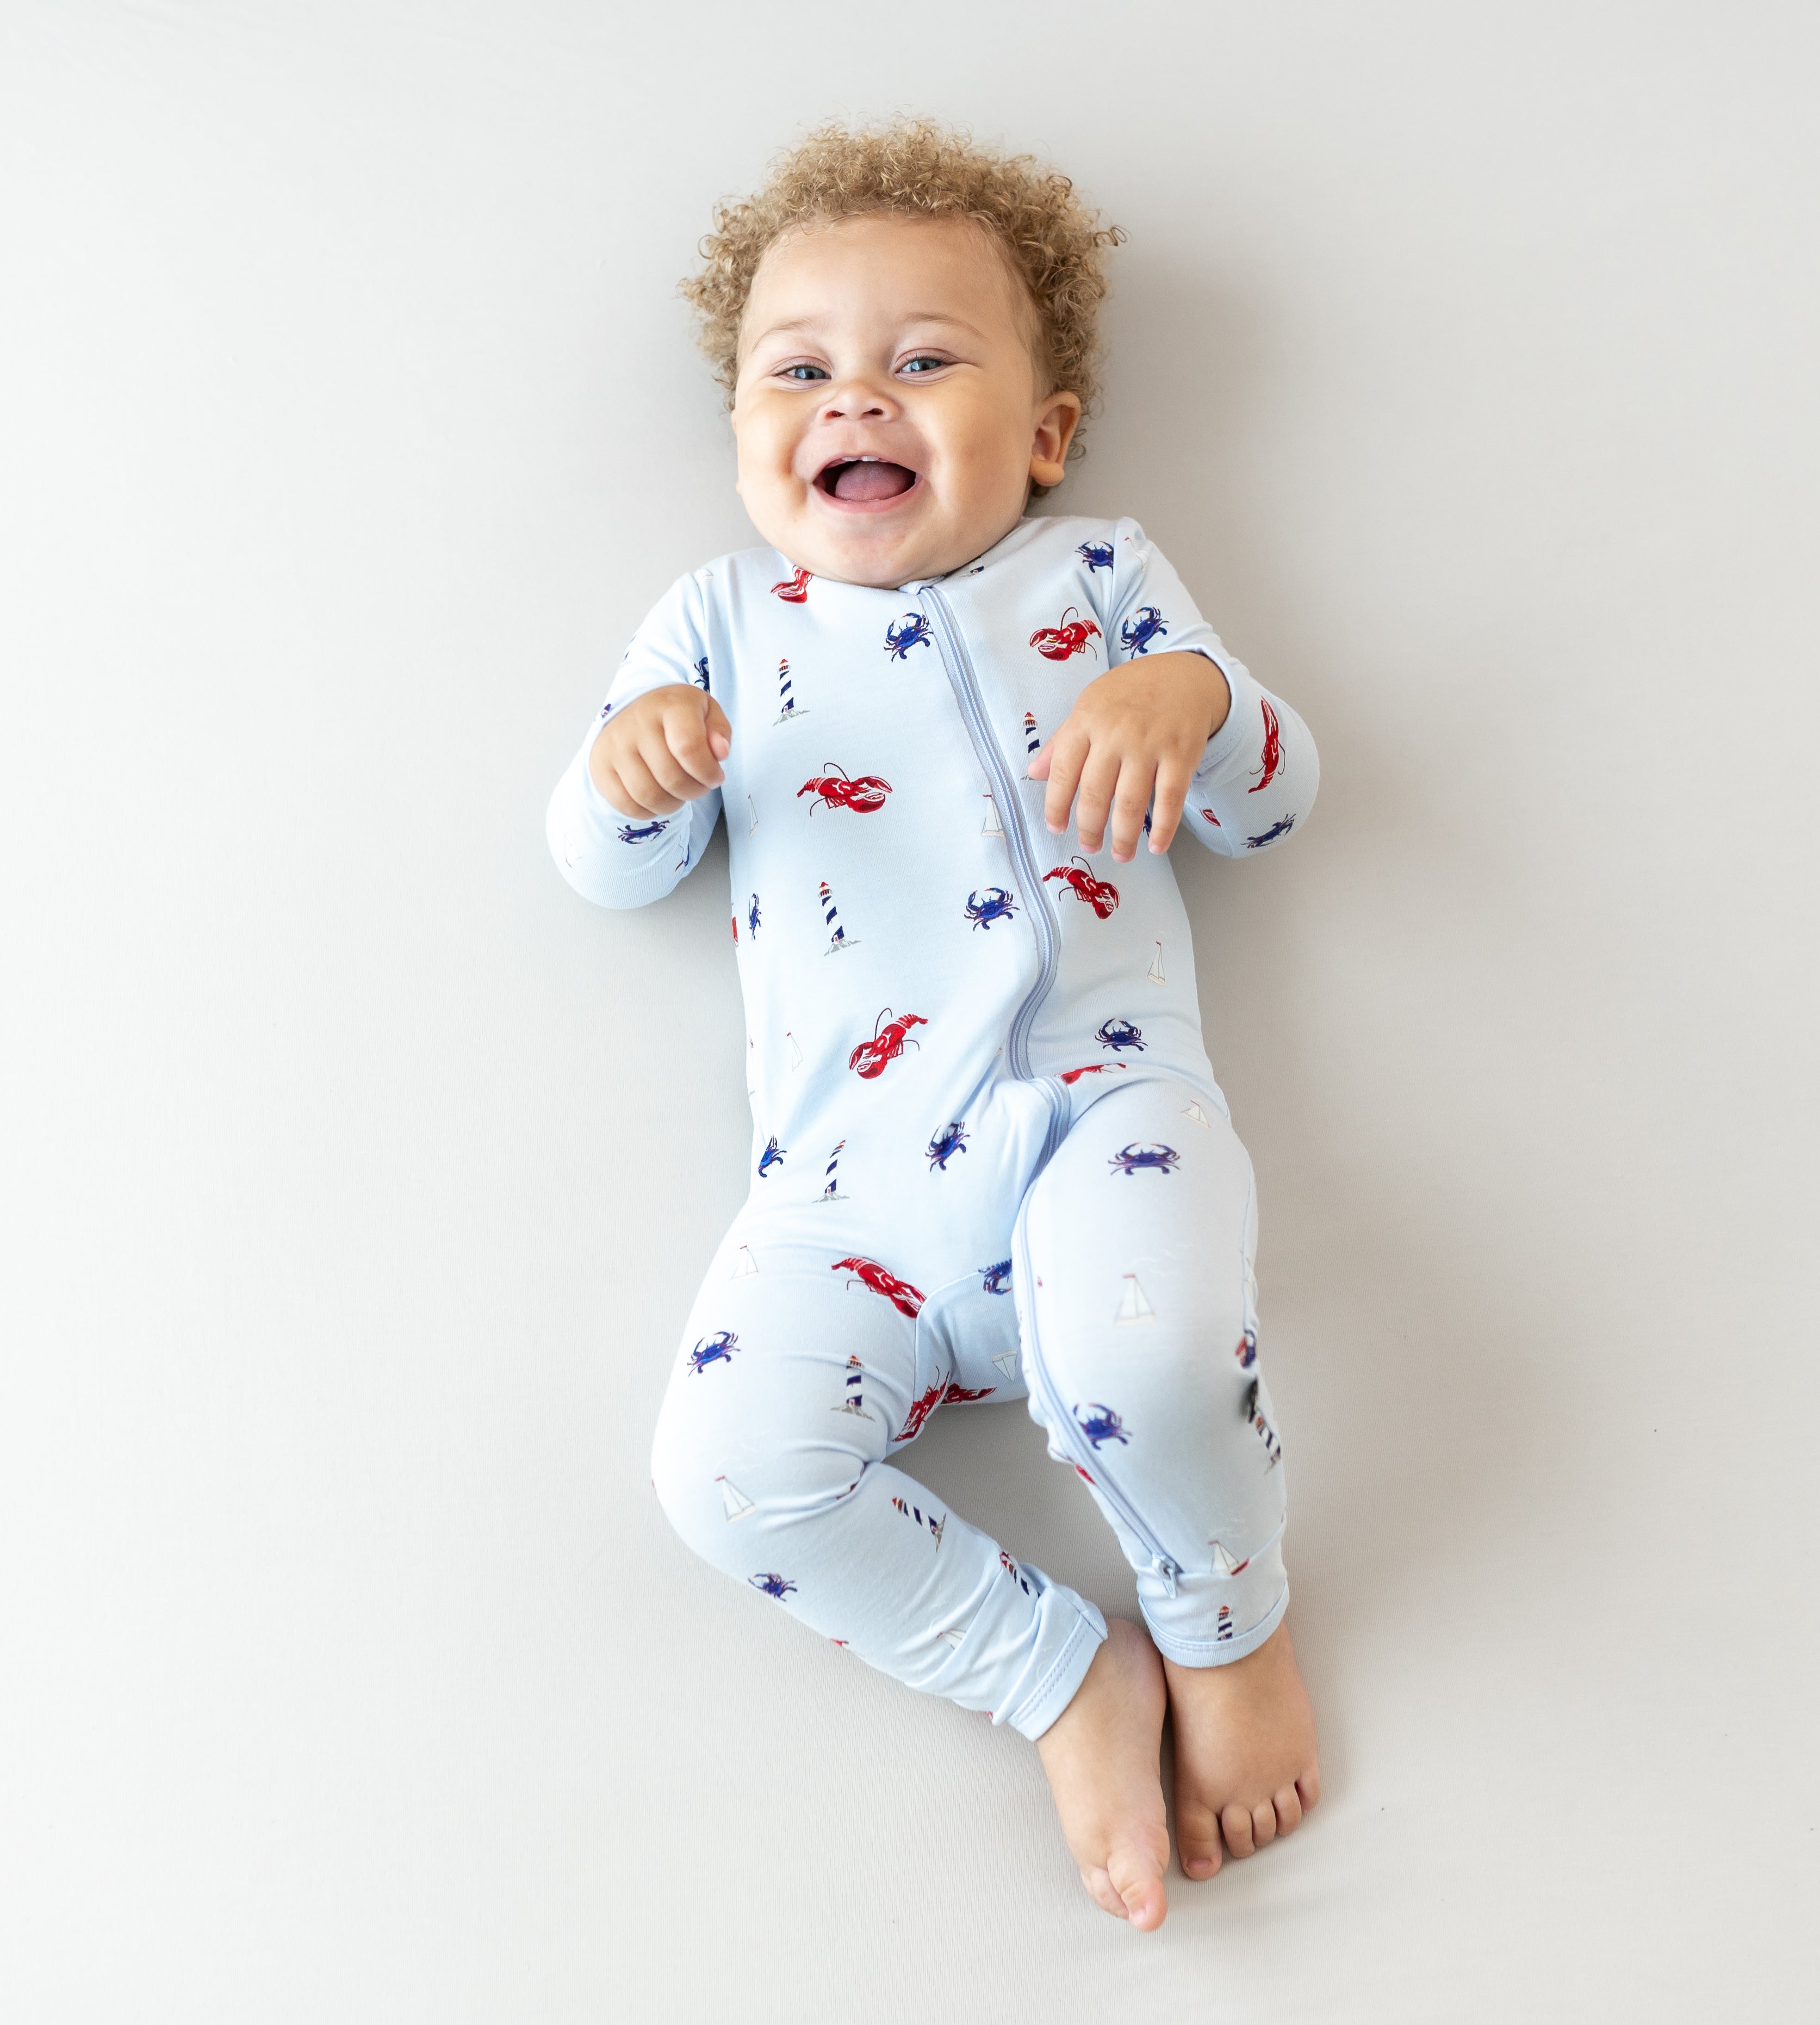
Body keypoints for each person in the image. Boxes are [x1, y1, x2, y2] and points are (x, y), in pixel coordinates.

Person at [548, 120, 1320, 1932]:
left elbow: (1275, 808)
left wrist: (1188, 695)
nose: (857, 400)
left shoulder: (1102, 581)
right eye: (799, 370)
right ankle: (1057, 1674)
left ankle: (1225, 1616)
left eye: (923, 360)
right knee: (721, 1481)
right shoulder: (720, 623)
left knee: (1153, 1367)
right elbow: (603, 865)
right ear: (747, 433)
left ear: (1042, 435)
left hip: (1100, 1117)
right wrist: (624, 767)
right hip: (846, 1192)